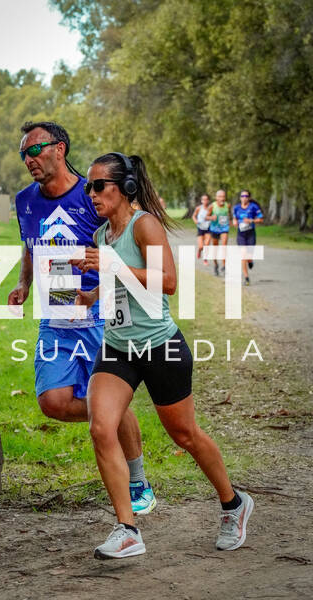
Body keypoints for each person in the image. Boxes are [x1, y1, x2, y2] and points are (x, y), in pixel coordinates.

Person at [74, 152, 254, 559]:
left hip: (160, 346)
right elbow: (118, 286)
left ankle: (233, 504)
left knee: (184, 435)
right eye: (88, 187)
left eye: (99, 185)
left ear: (126, 188)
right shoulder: (103, 235)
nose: (92, 193)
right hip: (118, 346)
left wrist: (112, 265)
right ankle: (127, 530)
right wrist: (90, 296)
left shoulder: (144, 225)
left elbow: (168, 282)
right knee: (101, 427)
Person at [7, 122, 156, 514]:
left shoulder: (93, 195)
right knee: (53, 402)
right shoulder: (24, 200)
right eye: (23, 153)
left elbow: (126, 242)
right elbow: (30, 246)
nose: (28, 159)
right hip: (56, 311)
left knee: (107, 398)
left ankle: (138, 481)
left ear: (59, 149)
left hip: (100, 312)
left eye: (34, 150)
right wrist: (23, 284)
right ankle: (111, 409)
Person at [233, 189, 264, 285]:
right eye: (242, 196)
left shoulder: (253, 207)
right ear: (240, 198)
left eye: (246, 196)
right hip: (241, 234)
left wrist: (251, 221)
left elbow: (261, 219)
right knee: (243, 255)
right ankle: (246, 278)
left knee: (249, 256)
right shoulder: (236, 208)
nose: (244, 198)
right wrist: (234, 221)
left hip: (251, 234)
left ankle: (250, 261)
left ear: (249, 198)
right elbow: (234, 218)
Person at [207, 190, 231, 276]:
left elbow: (229, 215)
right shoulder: (212, 206)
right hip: (214, 229)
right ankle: (216, 265)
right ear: (216, 197)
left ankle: (224, 266)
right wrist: (211, 218)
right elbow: (206, 217)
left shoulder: (228, 205)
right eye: (220, 196)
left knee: (224, 246)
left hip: (224, 228)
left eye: (223, 196)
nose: (222, 198)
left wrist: (231, 220)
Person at [192, 193, 211, 265]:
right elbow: (193, 216)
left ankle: (205, 260)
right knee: (201, 246)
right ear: (201, 201)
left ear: (208, 200)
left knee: (206, 245)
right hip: (200, 228)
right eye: (203, 199)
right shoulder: (198, 208)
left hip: (208, 228)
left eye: (206, 199)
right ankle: (199, 251)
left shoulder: (210, 208)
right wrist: (195, 221)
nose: (205, 201)